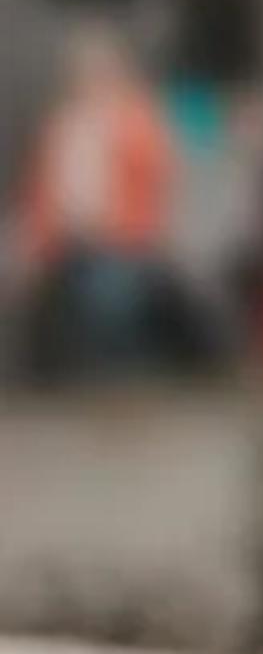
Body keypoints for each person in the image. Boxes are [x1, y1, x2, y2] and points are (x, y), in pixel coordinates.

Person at [10, 26, 179, 385]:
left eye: (100, 71)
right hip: (63, 242)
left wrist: (131, 233)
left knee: (110, 300)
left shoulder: (136, 121)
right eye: (83, 72)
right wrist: (32, 243)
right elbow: (40, 192)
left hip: (122, 240)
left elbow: (155, 184)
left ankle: (122, 378)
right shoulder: (62, 125)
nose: (91, 80)